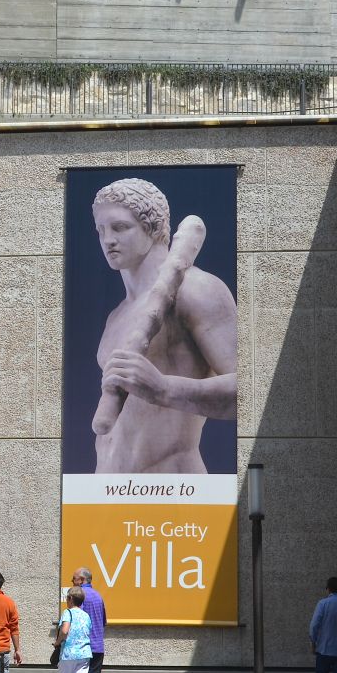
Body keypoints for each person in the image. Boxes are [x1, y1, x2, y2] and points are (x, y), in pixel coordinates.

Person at [90, 178, 237, 474]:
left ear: (154, 228)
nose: (108, 240)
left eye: (119, 227)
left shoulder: (197, 289)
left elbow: (247, 392)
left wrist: (164, 388)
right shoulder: (118, 315)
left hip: (175, 491)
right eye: (101, 230)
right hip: (107, 496)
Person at [59, 566, 105, 673]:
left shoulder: (80, 596)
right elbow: (104, 621)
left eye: (74, 578)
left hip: (80, 647)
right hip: (98, 644)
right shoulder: (99, 596)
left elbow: (74, 617)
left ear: (82, 580)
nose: (72, 581)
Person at [48, 586, 93, 673]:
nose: (66, 601)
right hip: (84, 654)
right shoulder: (86, 615)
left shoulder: (67, 612)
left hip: (68, 654)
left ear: (71, 599)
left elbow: (65, 630)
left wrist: (57, 642)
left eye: (67, 598)